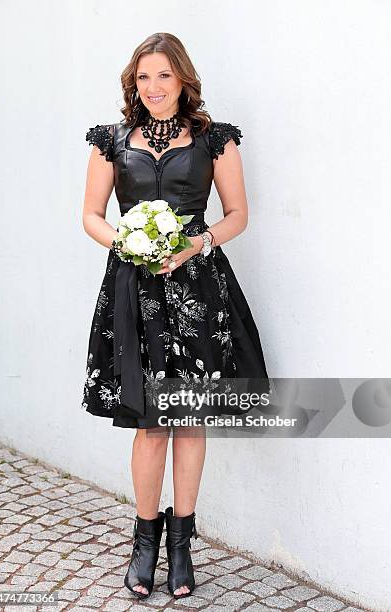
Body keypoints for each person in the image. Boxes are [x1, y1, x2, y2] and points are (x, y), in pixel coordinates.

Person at [81, 32, 271, 601]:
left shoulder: (216, 141)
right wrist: (128, 242)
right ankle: (144, 545)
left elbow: (238, 214)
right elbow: (91, 215)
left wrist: (197, 243)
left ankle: (182, 544)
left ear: (183, 78)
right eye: (143, 77)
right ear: (132, 84)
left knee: (190, 421)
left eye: (164, 75)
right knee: (148, 424)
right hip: (134, 291)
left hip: (198, 291)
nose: (154, 87)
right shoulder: (110, 141)